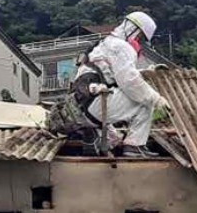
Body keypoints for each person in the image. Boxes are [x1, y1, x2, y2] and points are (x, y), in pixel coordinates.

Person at [71, 11, 171, 158]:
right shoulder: (121, 47)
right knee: (145, 102)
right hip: (96, 103)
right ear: (133, 29)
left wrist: (146, 72)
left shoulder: (106, 43)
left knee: (115, 139)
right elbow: (130, 82)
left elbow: (116, 75)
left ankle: (96, 139)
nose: (138, 41)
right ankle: (134, 146)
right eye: (140, 37)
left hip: (83, 103)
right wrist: (157, 99)